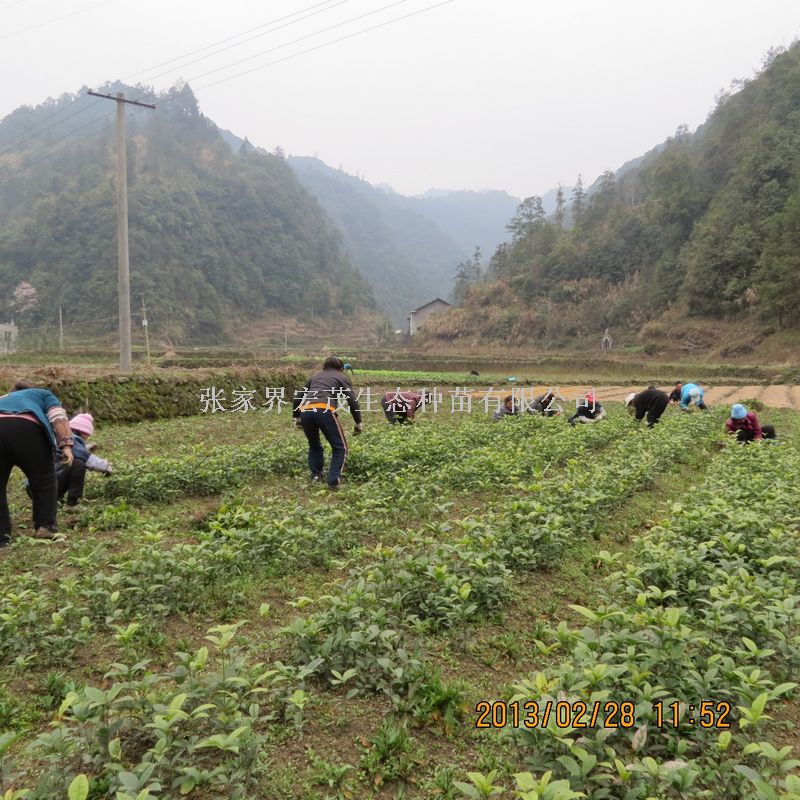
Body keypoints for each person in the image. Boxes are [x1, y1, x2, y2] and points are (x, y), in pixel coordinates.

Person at [0, 381, 74, 546]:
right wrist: (67, 445)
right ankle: (46, 527)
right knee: (44, 480)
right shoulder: (43, 393)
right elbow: (57, 415)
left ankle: (1, 538)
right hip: (27, 430)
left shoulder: (3, 397)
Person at [292, 357, 362, 488]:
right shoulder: (341, 376)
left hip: (306, 410)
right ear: (341, 369)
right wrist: (358, 422)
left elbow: (298, 397)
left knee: (314, 445)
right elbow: (352, 399)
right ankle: (333, 481)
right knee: (340, 448)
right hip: (324, 409)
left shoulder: (315, 377)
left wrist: (296, 417)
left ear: (324, 366)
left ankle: (316, 476)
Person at [56, 414, 113, 506]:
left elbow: (72, 453)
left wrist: (86, 449)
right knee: (79, 464)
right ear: (83, 433)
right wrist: (106, 467)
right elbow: (87, 458)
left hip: (37, 485)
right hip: (47, 487)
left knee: (72, 463)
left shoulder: (62, 438)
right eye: (88, 435)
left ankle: (56, 499)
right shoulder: (71, 440)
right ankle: (72, 504)